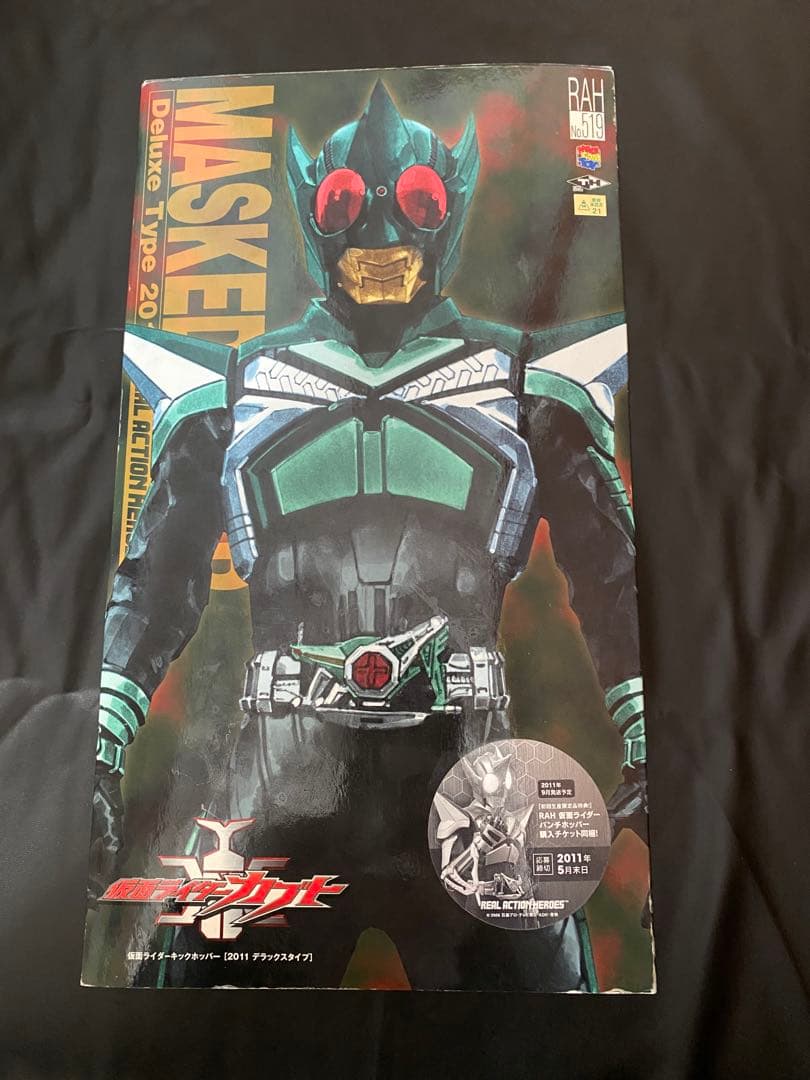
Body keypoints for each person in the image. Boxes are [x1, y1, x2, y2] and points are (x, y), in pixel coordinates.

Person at [91, 80, 647, 990]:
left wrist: (650, 734)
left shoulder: (526, 383)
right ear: (317, 214)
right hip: (279, 782)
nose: (381, 230)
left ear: (446, 210)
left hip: (473, 787)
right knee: (192, 1024)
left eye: (416, 202)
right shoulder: (236, 390)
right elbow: (156, 582)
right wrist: (100, 745)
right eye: (347, 203)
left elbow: (611, 571)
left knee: (555, 1027)